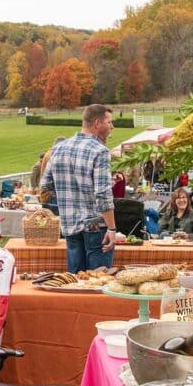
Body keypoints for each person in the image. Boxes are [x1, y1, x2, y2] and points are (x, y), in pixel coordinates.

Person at [40, 105, 116, 273]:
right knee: (98, 283)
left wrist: (69, 195)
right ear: (97, 123)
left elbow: (45, 185)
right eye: (109, 122)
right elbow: (103, 194)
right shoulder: (100, 151)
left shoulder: (58, 149)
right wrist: (112, 229)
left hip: (70, 224)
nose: (112, 127)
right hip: (96, 226)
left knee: (75, 283)